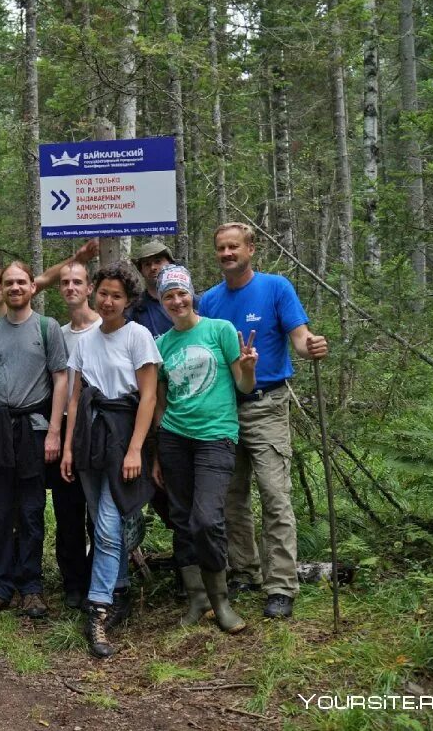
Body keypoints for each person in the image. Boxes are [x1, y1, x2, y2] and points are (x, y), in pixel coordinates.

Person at [198, 222, 328, 619]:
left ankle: (281, 585)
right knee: (232, 498)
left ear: (250, 249)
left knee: (274, 495)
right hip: (223, 410)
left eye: (233, 247)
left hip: (267, 405)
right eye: (221, 248)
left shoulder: (276, 288)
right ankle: (245, 570)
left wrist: (312, 347)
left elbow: (300, 338)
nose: (226, 254)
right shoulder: (209, 301)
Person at [62, 261, 161, 658]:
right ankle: (119, 588)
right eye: (103, 292)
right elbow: (73, 396)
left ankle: (98, 608)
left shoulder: (138, 337)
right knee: (104, 520)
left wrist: (137, 448)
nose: (107, 300)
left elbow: (149, 396)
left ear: (129, 300)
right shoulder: (85, 340)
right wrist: (68, 447)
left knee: (106, 524)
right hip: (90, 435)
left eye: (116, 295)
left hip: (124, 436)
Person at [152, 264, 257, 634]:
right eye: (169, 296)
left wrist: (248, 368)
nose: (176, 301)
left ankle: (221, 600)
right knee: (181, 519)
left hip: (216, 436)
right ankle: (196, 599)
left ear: (191, 294)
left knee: (207, 518)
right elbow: (160, 399)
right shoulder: (162, 345)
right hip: (175, 438)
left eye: (181, 293)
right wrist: (160, 442)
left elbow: (243, 387)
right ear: (162, 301)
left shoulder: (220, 330)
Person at [0, 262, 67, 620]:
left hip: (34, 428)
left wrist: (55, 432)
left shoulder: (48, 328)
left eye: (21, 282)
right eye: (8, 283)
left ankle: (31, 585)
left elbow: (60, 379)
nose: (14, 288)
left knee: (30, 511)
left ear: (33, 286)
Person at [50, 261, 100, 609]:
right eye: (65, 282)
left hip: (100, 429)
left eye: (77, 282)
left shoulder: (108, 327)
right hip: (67, 426)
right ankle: (73, 583)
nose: (71, 288)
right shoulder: (58, 334)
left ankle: (102, 577)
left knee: (100, 510)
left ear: (89, 288)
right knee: (67, 511)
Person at [127, 240, 196, 338]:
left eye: (158, 261)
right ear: (141, 270)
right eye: (147, 264)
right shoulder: (136, 308)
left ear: (170, 263)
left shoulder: (193, 301)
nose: (153, 267)